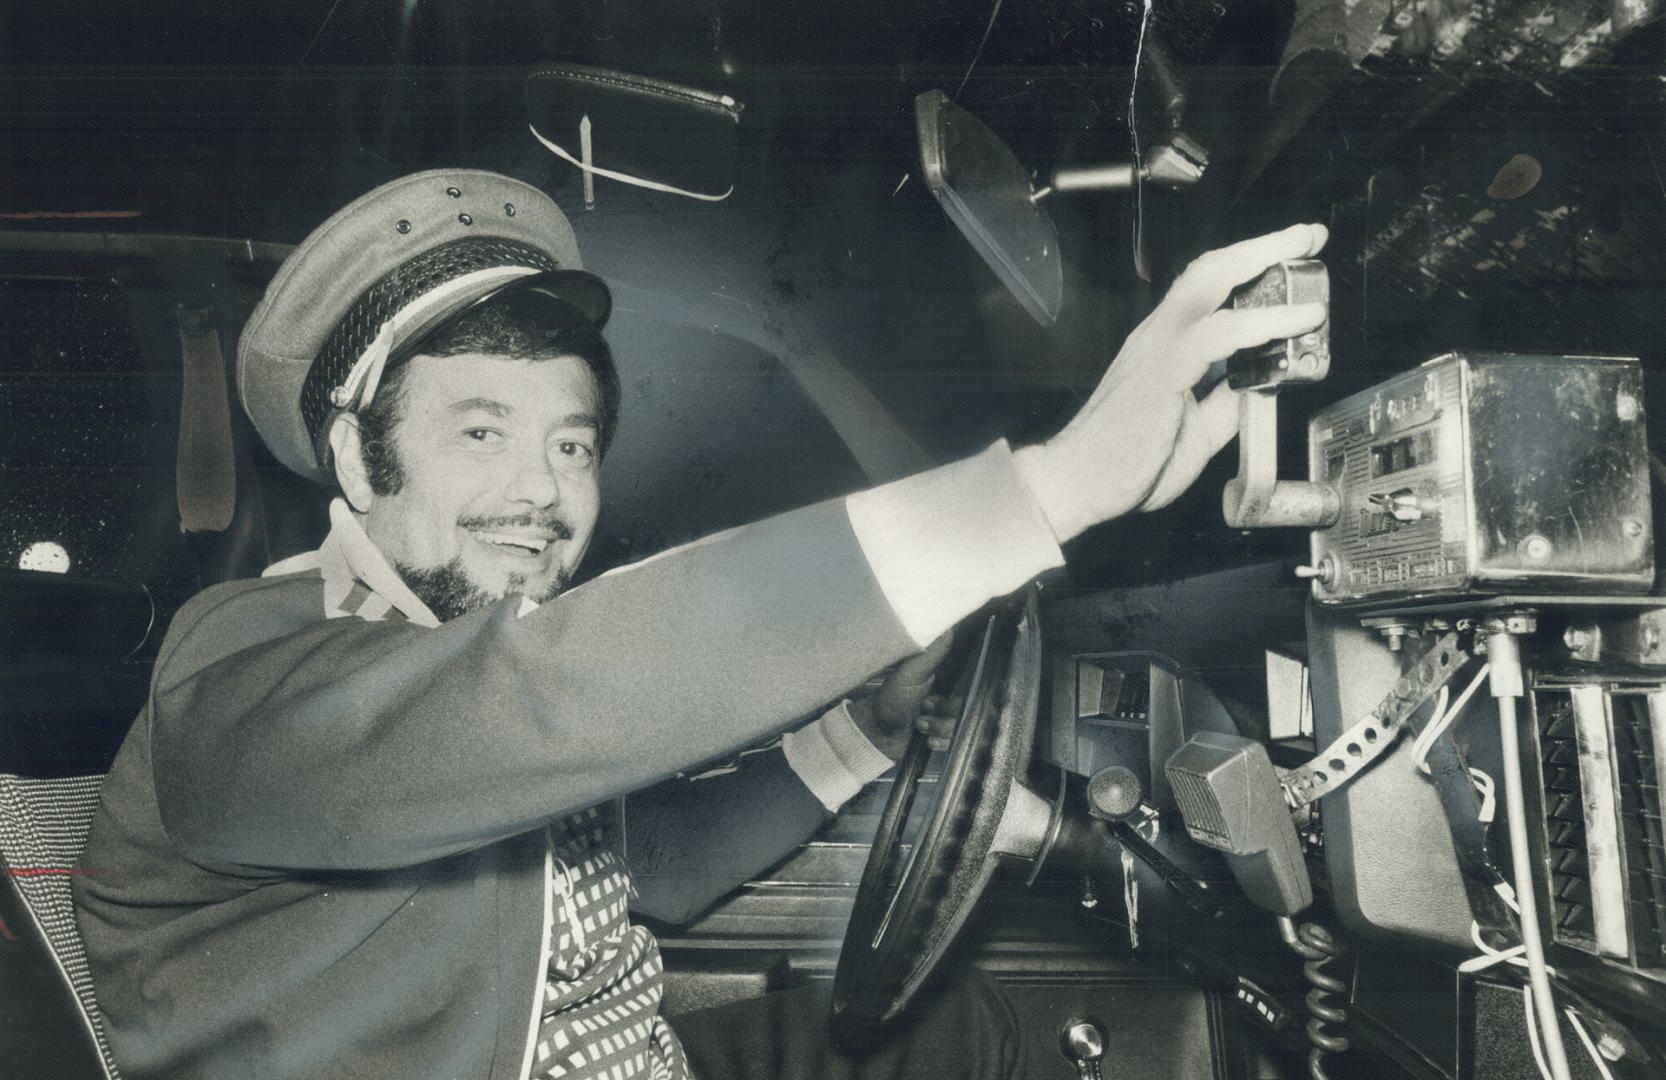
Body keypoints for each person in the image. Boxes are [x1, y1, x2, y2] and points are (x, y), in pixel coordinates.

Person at [72, 169, 1327, 1080]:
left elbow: (640, 872)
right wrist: (1049, 488)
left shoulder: (446, 689)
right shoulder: (242, 668)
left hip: (631, 1052)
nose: (540, 491)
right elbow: (542, 694)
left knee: (990, 1041)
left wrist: (872, 729)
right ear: (354, 457)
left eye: (571, 443)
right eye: (478, 432)